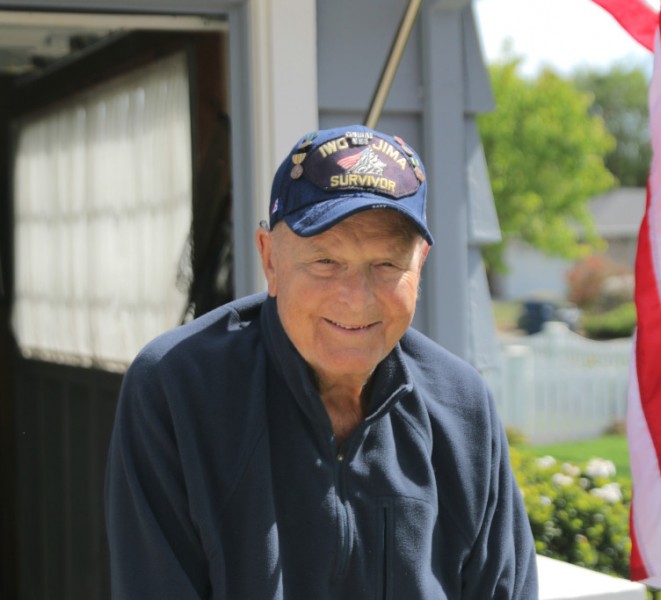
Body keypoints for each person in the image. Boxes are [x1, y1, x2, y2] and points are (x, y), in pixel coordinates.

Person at [105, 124, 538, 599]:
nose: (356, 299)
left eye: (386, 265)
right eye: (325, 262)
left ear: (421, 263)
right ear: (270, 260)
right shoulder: (176, 389)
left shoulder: (462, 406)